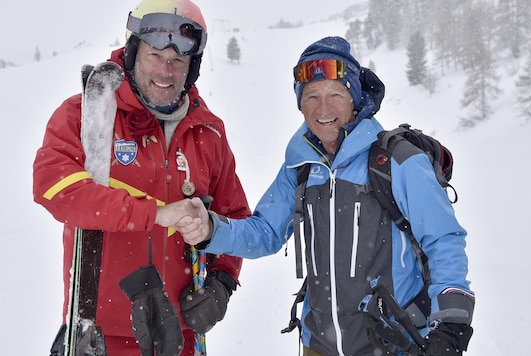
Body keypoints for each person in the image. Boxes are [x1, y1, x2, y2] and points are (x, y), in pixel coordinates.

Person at [178, 36, 475, 356]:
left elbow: (443, 240)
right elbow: (265, 233)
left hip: (393, 345)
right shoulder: (301, 167)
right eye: (311, 96)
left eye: (335, 93)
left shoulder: (397, 160)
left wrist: (451, 323)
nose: (323, 108)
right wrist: (211, 230)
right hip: (317, 345)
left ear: (355, 99)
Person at [32, 0, 251, 355]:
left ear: (192, 67)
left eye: (178, 61)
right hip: (101, 334)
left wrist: (223, 282)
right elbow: (53, 187)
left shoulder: (207, 132)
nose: (166, 71)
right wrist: (153, 214)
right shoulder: (88, 113)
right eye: (155, 56)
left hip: (178, 335)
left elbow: (235, 218)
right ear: (134, 50)